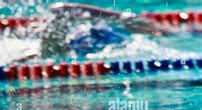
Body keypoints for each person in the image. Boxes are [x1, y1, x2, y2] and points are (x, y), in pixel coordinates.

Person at [15, 2, 178, 61]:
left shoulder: (135, 36)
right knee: (62, 11)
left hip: (78, 50)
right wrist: (123, 18)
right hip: (80, 48)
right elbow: (63, 11)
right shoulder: (136, 26)